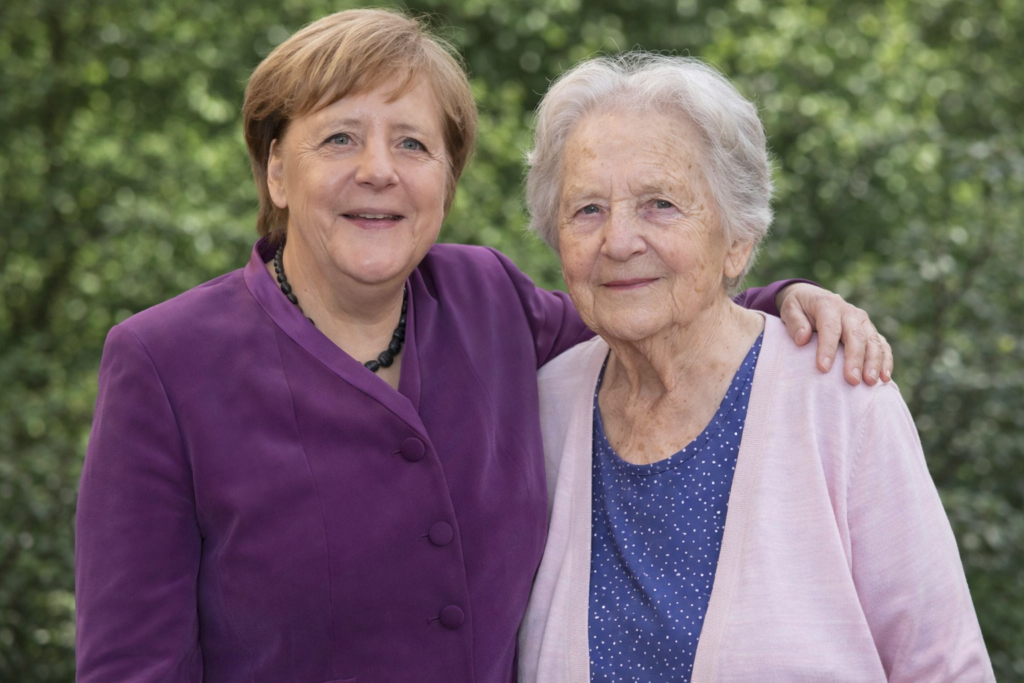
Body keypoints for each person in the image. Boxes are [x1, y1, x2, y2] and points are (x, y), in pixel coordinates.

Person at [75, 10, 892, 683]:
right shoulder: (164, 363)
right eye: (338, 139)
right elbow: (130, 666)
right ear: (276, 173)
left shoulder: (486, 299)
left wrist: (782, 302)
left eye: (412, 144)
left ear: (446, 181)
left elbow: (645, 324)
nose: (378, 170)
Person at [517, 53, 993, 682]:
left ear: (737, 240)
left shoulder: (838, 396)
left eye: (659, 203)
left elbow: (943, 666)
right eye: (587, 210)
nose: (619, 240)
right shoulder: (541, 408)